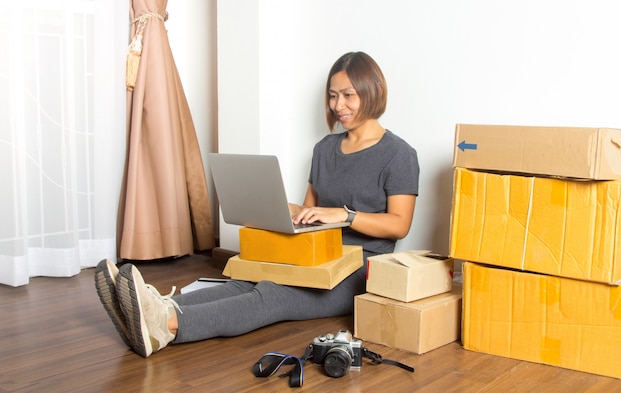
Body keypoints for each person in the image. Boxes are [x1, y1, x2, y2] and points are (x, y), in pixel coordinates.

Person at [95, 51, 420, 358]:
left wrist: (345, 215)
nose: (338, 105)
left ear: (374, 90)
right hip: (316, 253)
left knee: (273, 295)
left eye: (348, 95)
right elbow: (311, 215)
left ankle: (165, 327)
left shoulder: (398, 154)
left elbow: (399, 224)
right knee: (245, 281)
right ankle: (155, 306)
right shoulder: (324, 149)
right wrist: (282, 207)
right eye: (333, 95)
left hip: (360, 268)